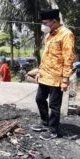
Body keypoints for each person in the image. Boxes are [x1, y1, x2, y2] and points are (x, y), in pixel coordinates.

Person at [31, 9, 75, 140]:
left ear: (54, 21)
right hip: (45, 75)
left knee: (54, 105)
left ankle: (53, 130)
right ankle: (45, 123)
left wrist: (65, 79)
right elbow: (45, 56)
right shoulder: (49, 35)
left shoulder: (66, 34)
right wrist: (39, 72)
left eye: (45, 22)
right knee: (39, 99)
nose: (43, 25)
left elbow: (68, 58)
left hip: (57, 78)